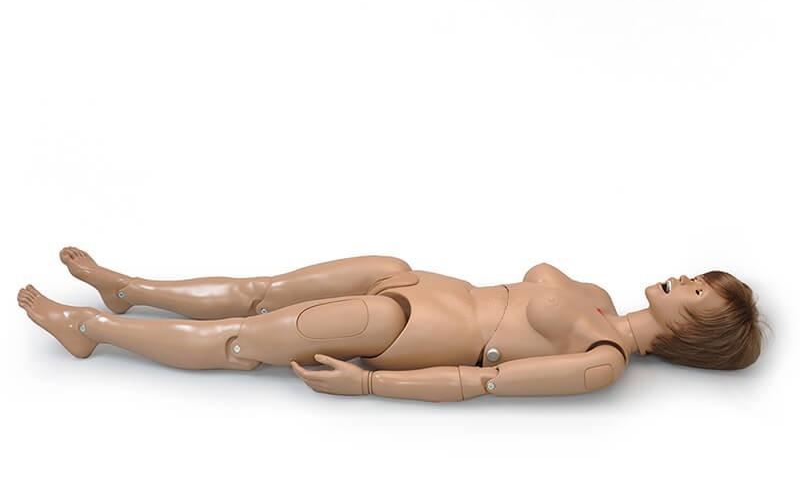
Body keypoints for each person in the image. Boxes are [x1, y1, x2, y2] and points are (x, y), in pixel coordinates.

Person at [17, 247, 765, 402]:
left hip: (401, 325)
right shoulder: (596, 292)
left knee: (243, 339)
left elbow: (481, 381)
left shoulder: (602, 359)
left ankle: (90, 328)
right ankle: (129, 289)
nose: (684, 279)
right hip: (410, 278)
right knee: (259, 289)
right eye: (697, 276)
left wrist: (371, 384)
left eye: (698, 291)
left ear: (692, 331)